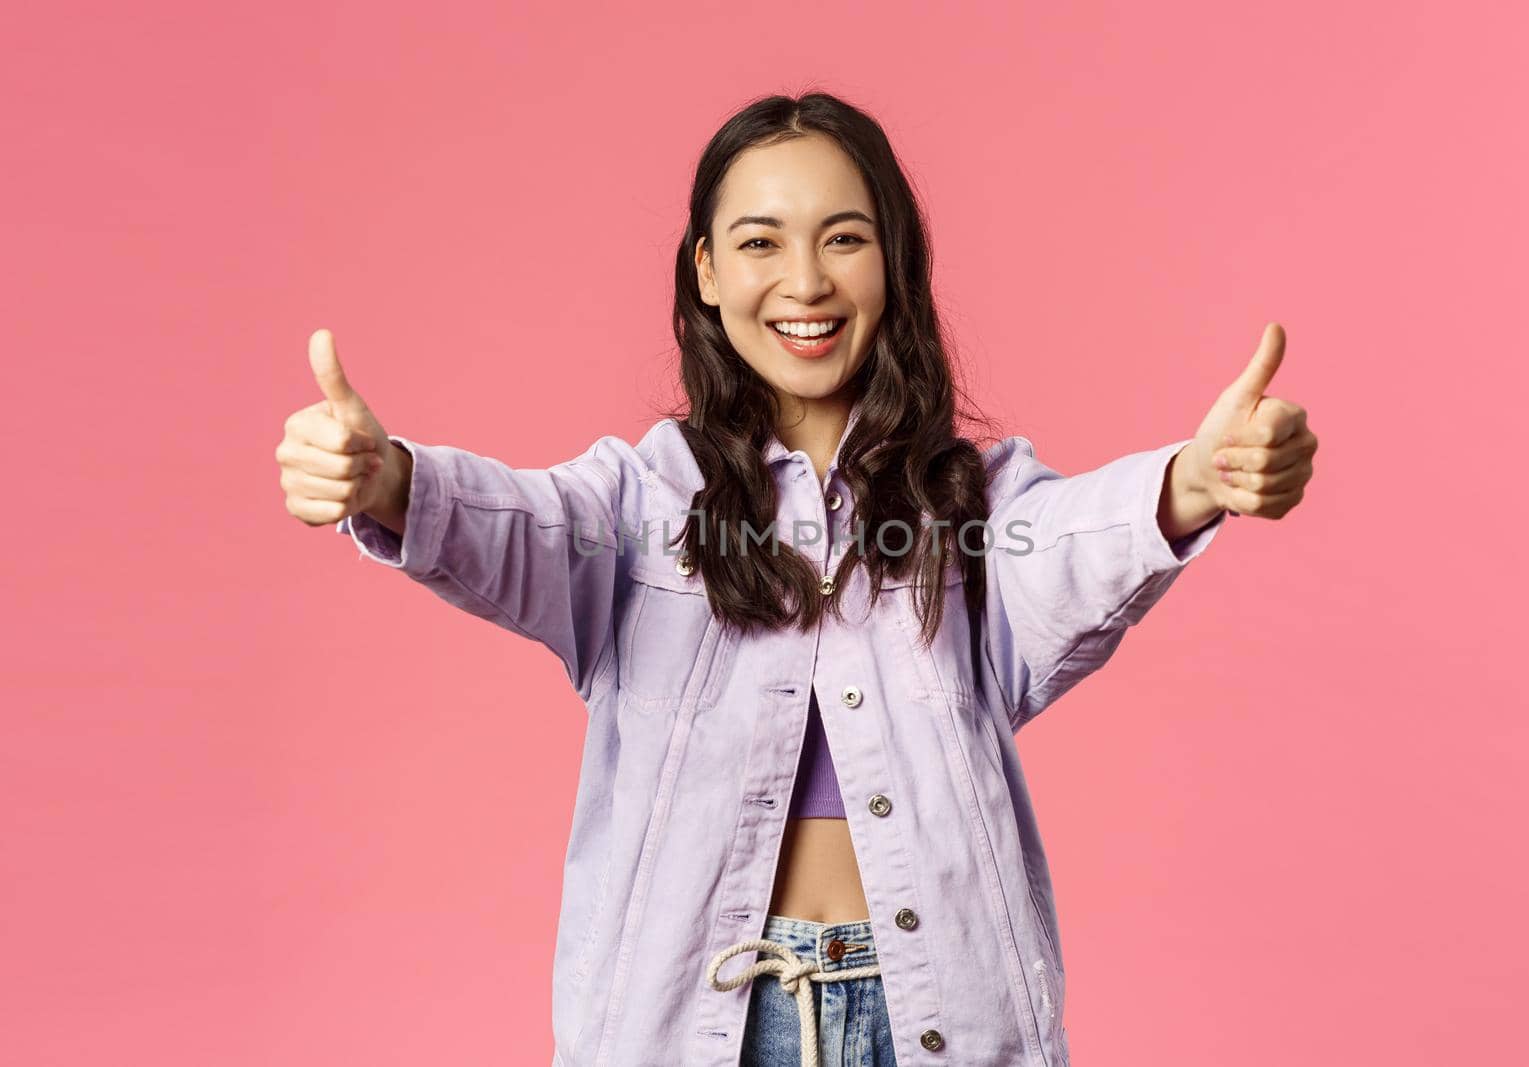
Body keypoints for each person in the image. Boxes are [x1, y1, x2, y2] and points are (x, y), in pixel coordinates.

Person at [276, 92, 1317, 1067]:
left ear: (893, 262)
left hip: (934, 1016)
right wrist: (392, 479)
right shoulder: (643, 502)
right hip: (700, 1022)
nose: (806, 282)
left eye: (845, 238)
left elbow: (1073, 541)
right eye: (760, 242)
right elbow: (526, 524)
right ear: (706, 270)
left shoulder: (970, 504)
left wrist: (1192, 479)